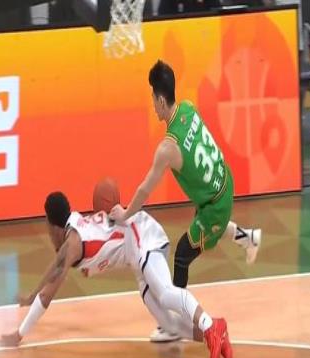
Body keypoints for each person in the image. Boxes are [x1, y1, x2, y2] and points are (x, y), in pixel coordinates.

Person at [0, 191, 233, 358]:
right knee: (168, 324)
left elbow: (48, 293)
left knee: (165, 294)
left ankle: (210, 325)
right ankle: (215, 334)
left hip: (143, 235)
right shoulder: (72, 232)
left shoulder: (72, 243)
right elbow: (55, 266)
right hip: (136, 253)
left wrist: (19, 334)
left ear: (51, 226)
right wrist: (31, 295)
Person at [110, 60, 261, 342]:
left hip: (214, 206)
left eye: (152, 98)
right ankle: (249, 237)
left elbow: (144, 190)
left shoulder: (168, 148)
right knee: (207, 232)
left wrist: (125, 214)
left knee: (181, 255)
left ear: (160, 99)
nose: (152, 105)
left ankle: (176, 324)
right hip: (223, 181)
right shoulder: (188, 108)